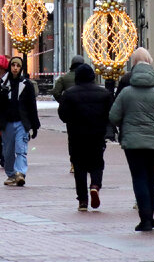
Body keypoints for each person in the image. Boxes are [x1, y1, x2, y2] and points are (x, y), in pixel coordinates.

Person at [110, 59, 154, 231]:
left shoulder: (125, 93)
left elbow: (113, 116)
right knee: (151, 178)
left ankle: (144, 219)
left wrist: (125, 124)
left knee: (138, 178)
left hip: (132, 143)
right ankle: (150, 216)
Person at [58, 63, 113, 212]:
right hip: (97, 134)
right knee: (97, 163)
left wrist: (71, 120)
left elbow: (62, 114)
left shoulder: (69, 94)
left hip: (76, 135)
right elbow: (110, 114)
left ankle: (82, 200)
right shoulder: (104, 94)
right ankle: (95, 185)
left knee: (79, 167)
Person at [0, 56, 40, 186]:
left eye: (18, 66)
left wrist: (34, 124)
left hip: (21, 123)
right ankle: (11, 174)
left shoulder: (26, 84)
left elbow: (31, 106)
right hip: (7, 123)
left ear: (21, 68)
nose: (15, 68)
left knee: (21, 149)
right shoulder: (2, 84)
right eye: (13, 66)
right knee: (8, 151)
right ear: (10, 67)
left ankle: (20, 173)